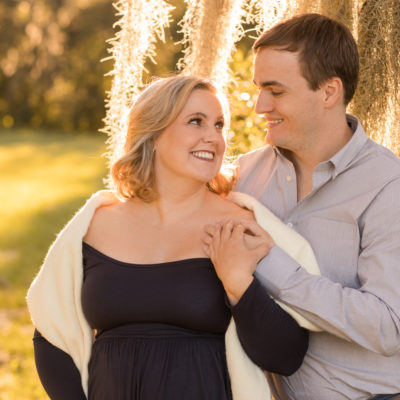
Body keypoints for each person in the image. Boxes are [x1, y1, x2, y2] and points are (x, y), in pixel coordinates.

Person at [26, 75, 311, 400]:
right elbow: (50, 335)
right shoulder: (95, 225)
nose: (213, 138)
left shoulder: (241, 226)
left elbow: (286, 356)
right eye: (196, 122)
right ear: (154, 134)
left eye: (219, 125)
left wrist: (238, 285)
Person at [204, 13, 400, 400]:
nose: (260, 106)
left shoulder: (387, 185)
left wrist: (276, 267)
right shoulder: (245, 176)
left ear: (329, 92)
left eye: (276, 91)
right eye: (259, 88)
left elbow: (388, 325)